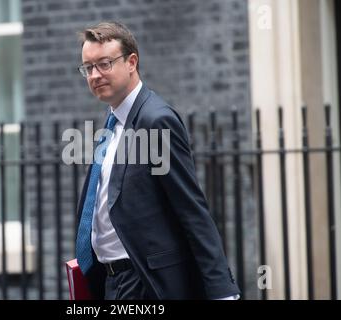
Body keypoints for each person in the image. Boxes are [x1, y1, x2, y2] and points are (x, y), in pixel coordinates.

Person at [75, 21, 240, 300]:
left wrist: (222, 291)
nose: (95, 75)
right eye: (88, 68)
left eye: (104, 64)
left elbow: (191, 208)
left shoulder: (156, 119)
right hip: (110, 282)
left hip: (145, 284)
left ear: (131, 62)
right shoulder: (112, 121)